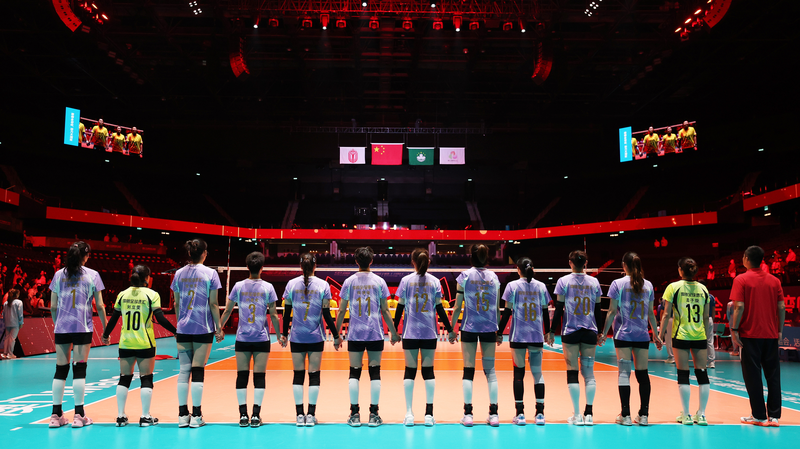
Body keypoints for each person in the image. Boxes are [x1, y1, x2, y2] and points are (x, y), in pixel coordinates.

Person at [101, 265, 177, 427]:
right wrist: (175, 331)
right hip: (145, 342)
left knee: (124, 378)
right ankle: (145, 417)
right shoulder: (152, 295)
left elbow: (114, 318)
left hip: (126, 342)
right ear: (147, 278)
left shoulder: (122, 294)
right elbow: (160, 318)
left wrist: (106, 335)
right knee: (146, 378)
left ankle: (120, 417)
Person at [334, 247, 401, 427]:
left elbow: (341, 310)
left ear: (356, 261)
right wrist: (394, 333)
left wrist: (336, 334)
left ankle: (354, 414)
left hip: (355, 334)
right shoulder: (379, 281)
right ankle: (374, 414)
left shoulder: (349, 282)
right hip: (375, 333)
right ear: (371, 261)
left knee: (354, 372)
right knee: (375, 372)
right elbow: (385, 310)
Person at [219, 252, 284, 427]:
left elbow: (227, 310)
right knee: (259, 376)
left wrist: (219, 329)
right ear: (262, 268)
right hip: (262, 339)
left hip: (243, 338)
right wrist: (279, 336)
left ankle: (242, 416)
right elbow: (274, 315)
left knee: (242, 376)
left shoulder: (238, 286)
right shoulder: (268, 287)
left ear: (247, 267)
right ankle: (255, 416)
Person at [48, 242, 107, 428]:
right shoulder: (93, 275)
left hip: (62, 328)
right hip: (82, 328)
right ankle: (78, 415)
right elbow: (100, 305)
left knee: (60, 369)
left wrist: (57, 323)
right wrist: (106, 330)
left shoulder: (58, 275)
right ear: (86, 256)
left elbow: (53, 306)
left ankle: (55, 416)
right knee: (79, 370)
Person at [599, 252, 663, 426]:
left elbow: (612, 312)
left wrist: (604, 334)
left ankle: (625, 415)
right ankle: (644, 415)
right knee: (643, 375)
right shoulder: (648, 285)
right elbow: (651, 313)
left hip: (623, 336)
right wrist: (656, 335)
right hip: (642, 336)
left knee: (624, 374)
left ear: (624, 265)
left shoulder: (617, 284)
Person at [393, 248, 453, 427]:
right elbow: (440, 309)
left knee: (409, 372)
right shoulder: (435, 282)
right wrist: (449, 329)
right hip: (429, 333)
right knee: (429, 372)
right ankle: (429, 414)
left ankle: (409, 414)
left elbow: (400, 308)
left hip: (410, 333)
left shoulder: (405, 281)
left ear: (413, 262)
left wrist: (394, 330)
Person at [282, 253, 341, 427]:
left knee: (298, 375)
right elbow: (326, 315)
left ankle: (300, 415)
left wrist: (284, 334)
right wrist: (336, 336)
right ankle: (311, 415)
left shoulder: (291, 284)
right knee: (314, 376)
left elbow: (287, 313)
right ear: (315, 266)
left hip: (297, 337)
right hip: (316, 337)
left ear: (300, 266)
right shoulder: (324, 285)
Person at [170, 238, 223, 428]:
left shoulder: (178, 274)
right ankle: (197, 415)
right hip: (203, 328)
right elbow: (214, 303)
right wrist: (219, 326)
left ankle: (182, 415)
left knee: (184, 370)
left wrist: (179, 324)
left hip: (183, 328)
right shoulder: (210, 274)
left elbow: (176, 303)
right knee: (198, 369)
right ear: (203, 253)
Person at [448, 244, 502, 427]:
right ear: (487, 257)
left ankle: (468, 414)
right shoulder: (494, 277)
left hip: (469, 328)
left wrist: (452, 329)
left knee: (468, 371)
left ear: (471, 256)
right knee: (491, 372)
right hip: (488, 328)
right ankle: (494, 414)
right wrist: (499, 330)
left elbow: (457, 306)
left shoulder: (464, 276)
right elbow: (496, 308)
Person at [730, 246, 784, 427]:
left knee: (753, 376)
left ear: (745, 258)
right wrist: (780, 330)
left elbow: (739, 307)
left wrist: (734, 329)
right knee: (773, 375)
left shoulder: (741, 279)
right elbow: (781, 307)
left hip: (749, 335)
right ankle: (775, 417)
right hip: (770, 335)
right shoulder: (775, 280)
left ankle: (759, 415)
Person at [549, 250, 602, 426]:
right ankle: (589, 413)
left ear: (571, 263)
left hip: (570, 332)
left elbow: (558, 308)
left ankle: (577, 414)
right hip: (589, 332)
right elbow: (597, 310)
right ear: (585, 264)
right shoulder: (594, 282)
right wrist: (600, 331)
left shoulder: (563, 281)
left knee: (572, 371)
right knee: (589, 374)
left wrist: (550, 330)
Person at [497, 257, 552, 426]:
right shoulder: (541, 286)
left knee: (518, 374)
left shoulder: (512, 286)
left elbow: (506, 312)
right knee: (538, 374)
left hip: (518, 336)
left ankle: (520, 414)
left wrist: (499, 332)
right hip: (535, 336)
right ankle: (540, 414)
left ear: (517, 269)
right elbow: (545, 312)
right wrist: (548, 332)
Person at [658, 257, 711, 426]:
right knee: (702, 374)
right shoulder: (703, 289)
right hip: (700, 336)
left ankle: (687, 415)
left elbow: (666, 314)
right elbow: (705, 316)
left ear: (680, 270)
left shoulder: (673, 287)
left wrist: (660, 333)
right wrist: (702, 334)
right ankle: (702, 414)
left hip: (681, 336)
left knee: (683, 374)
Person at [2, 289, 23, 359]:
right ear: (16, 295)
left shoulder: (6, 303)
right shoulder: (19, 302)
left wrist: (5, 321)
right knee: (12, 339)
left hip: (7, 322)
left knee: (7, 338)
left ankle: (5, 353)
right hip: (15, 323)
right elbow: (20, 314)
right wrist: (21, 322)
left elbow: (3, 314)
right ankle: (10, 354)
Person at [706, 294, 717, 369]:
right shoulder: (711, 297)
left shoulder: (699, 294)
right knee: (710, 341)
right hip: (709, 319)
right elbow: (713, 309)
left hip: (699, 320)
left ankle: (700, 361)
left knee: (700, 340)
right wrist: (711, 319)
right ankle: (711, 362)